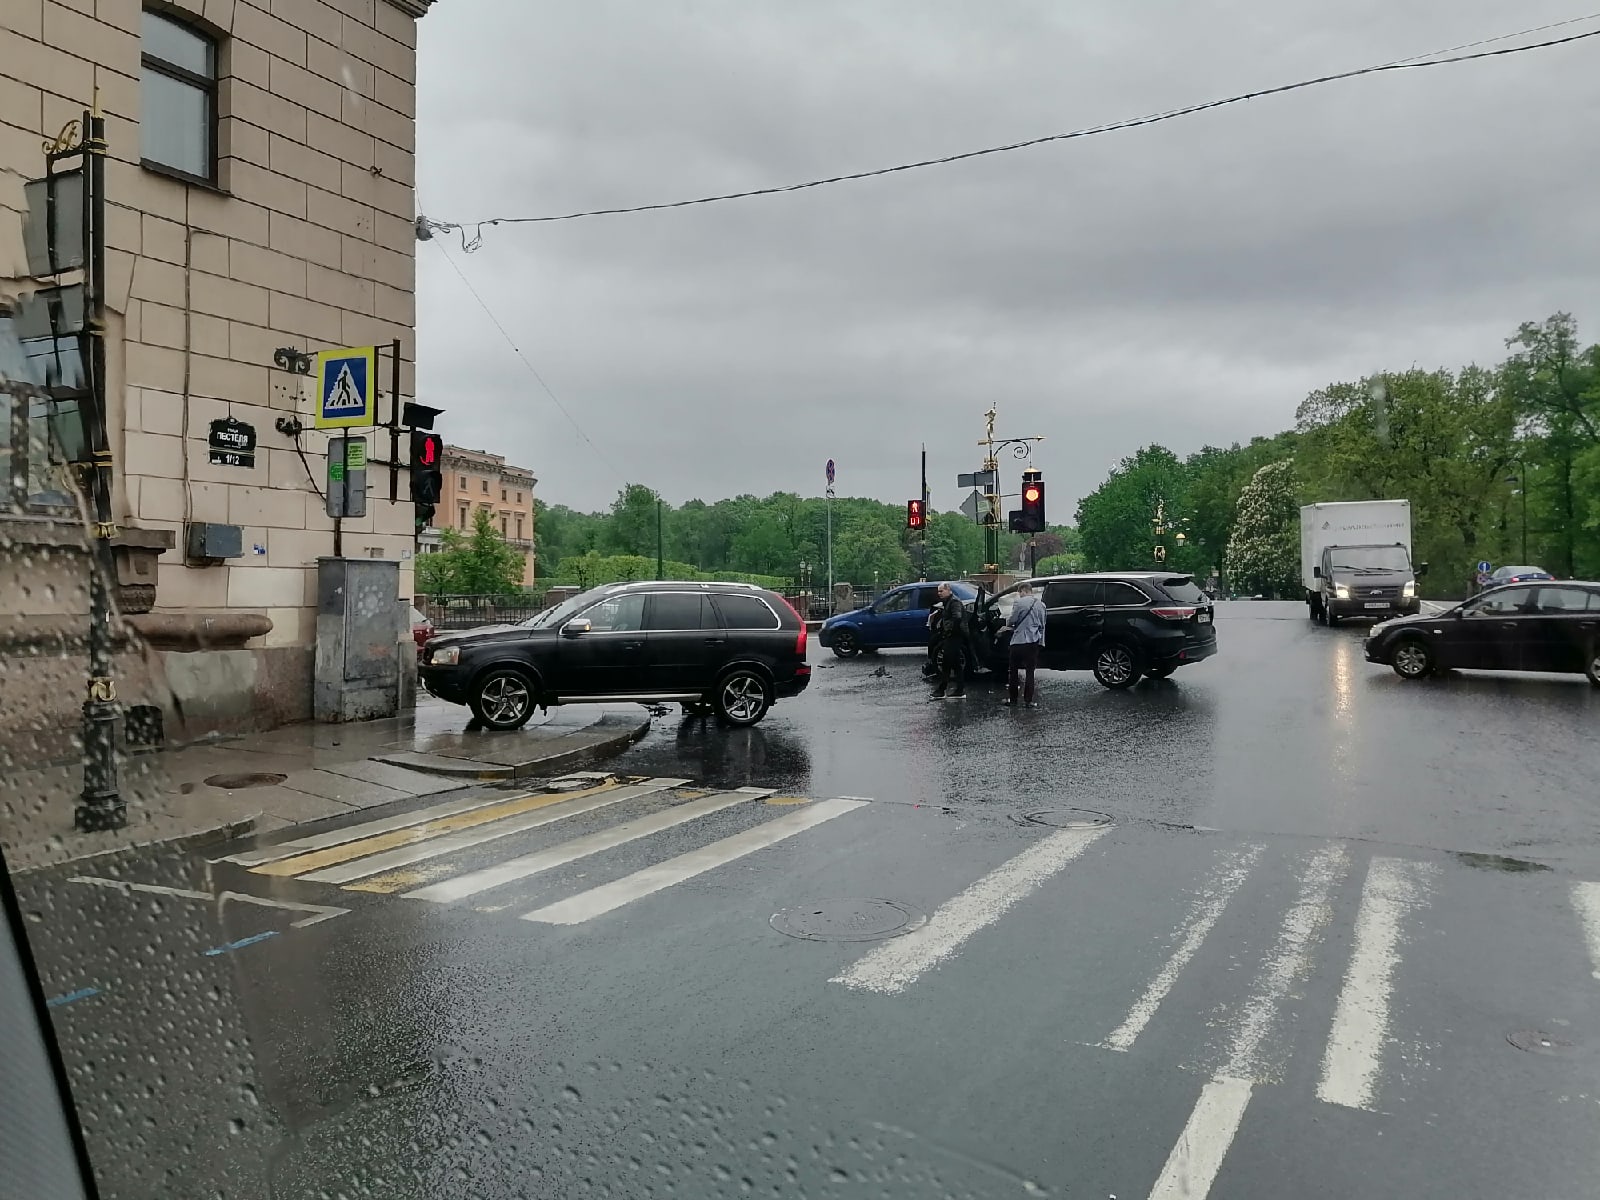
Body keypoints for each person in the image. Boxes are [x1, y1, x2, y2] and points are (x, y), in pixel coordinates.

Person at [1001, 581, 1046, 707]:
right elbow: (1042, 625)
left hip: (1018, 641)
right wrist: (1041, 642)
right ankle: (1028, 701)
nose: (1020, 595)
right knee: (1030, 672)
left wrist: (1007, 625)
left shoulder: (1018, 603)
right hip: (1032, 642)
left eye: (1020, 593)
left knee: (1013, 671)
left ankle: (1013, 699)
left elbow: (1012, 620)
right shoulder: (1041, 605)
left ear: (1023, 591)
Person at [929, 582, 967, 700]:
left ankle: (941, 690)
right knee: (955, 664)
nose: (939, 593)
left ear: (948, 590)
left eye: (941, 591)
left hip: (955, 635)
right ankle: (959, 690)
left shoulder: (954, 602)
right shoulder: (948, 602)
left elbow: (957, 617)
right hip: (954, 635)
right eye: (938, 591)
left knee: (946, 662)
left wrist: (950, 631)